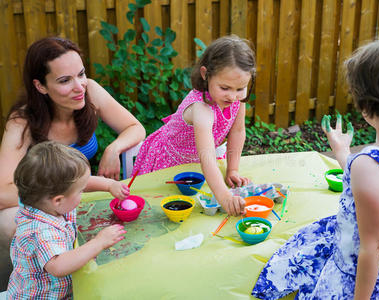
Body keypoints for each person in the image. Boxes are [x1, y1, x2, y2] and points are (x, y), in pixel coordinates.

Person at [252, 29, 379, 299]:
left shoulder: (368, 166)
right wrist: (343, 151)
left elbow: (370, 248)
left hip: (366, 276)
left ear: (366, 102)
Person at [0, 36, 145, 289]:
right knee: (9, 222)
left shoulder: (89, 91)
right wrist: (60, 194)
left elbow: (134, 127)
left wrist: (114, 148)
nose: (79, 86)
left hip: (76, 192)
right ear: (41, 86)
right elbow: (3, 192)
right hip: (42, 205)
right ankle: (34, 283)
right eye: (65, 80)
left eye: (81, 74)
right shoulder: (22, 122)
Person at [132, 35, 255, 216]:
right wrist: (226, 198)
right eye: (225, 88)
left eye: (240, 88)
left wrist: (232, 169)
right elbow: (206, 157)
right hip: (169, 162)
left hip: (196, 163)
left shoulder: (237, 100)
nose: (232, 96)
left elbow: (237, 131)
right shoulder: (201, 107)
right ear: (206, 74)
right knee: (161, 211)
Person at [5, 141, 126, 299]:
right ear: (58, 200)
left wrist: (109, 185)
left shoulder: (48, 203)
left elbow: (83, 181)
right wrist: (99, 242)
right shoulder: (40, 230)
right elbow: (58, 266)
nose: (83, 191)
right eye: (81, 191)